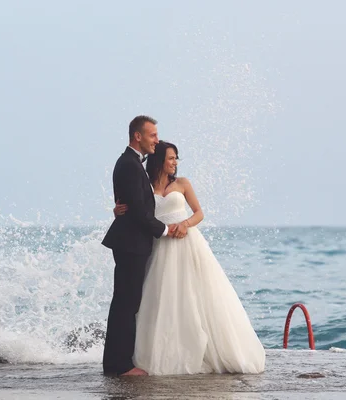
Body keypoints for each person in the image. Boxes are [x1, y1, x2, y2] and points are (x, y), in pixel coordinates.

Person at [113, 140, 266, 375]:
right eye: (171, 158)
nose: (175, 162)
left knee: (195, 295)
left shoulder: (183, 184)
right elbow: (136, 207)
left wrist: (184, 224)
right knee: (161, 298)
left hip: (186, 243)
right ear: (159, 160)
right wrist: (118, 210)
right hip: (159, 245)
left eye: (176, 158)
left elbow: (199, 213)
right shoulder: (146, 183)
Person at [101, 116, 187, 377]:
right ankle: (120, 366)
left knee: (127, 303)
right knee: (126, 304)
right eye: (152, 135)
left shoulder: (130, 164)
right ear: (138, 136)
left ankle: (117, 362)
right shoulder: (128, 164)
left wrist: (119, 209)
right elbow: (138, 209)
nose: (156, 140)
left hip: (133, 242)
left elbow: (130, 201)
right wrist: (163, 230)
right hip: (131, 244)